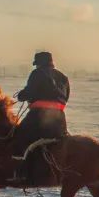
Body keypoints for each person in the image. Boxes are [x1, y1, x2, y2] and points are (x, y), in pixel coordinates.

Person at [10, 51, 71, 183]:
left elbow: (30, 91)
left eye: (36, 64)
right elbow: (66, 97)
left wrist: (22, 95)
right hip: (59, 118)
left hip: (39, 117)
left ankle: (20, 173)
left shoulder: (37, 73)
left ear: (39, 64)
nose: (36, 67)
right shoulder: (63, 77)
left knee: (18, 137)